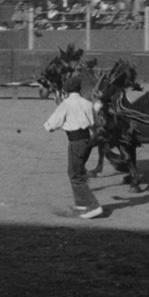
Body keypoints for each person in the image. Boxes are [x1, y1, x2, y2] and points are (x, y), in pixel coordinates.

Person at [43, 76, 104, 219]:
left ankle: (93, 206)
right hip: (88, 140)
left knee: (75, 175)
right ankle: (81, 205)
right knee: (77, 171)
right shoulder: (87, 103)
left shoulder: (66, 104)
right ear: (79, 89)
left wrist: (48, 126)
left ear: (67, 90)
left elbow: (52, 124)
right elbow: (97, 123)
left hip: (75, 142)